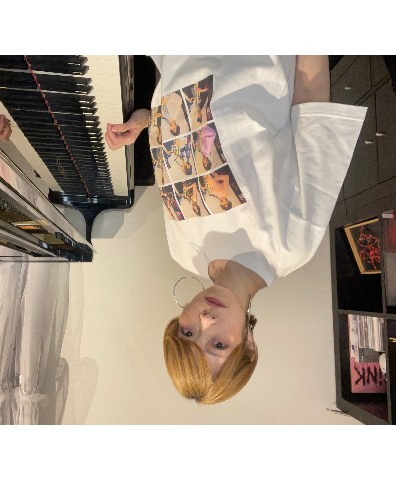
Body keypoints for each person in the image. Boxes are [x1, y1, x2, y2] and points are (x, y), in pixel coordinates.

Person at [105, 56, 367, 404]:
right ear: (249, 344)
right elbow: (311, 104)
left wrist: (144, 121)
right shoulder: (290, 245)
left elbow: (189, 133)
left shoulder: (183, 252)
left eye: (188, 332)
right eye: (218, 344)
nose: (205, 319)